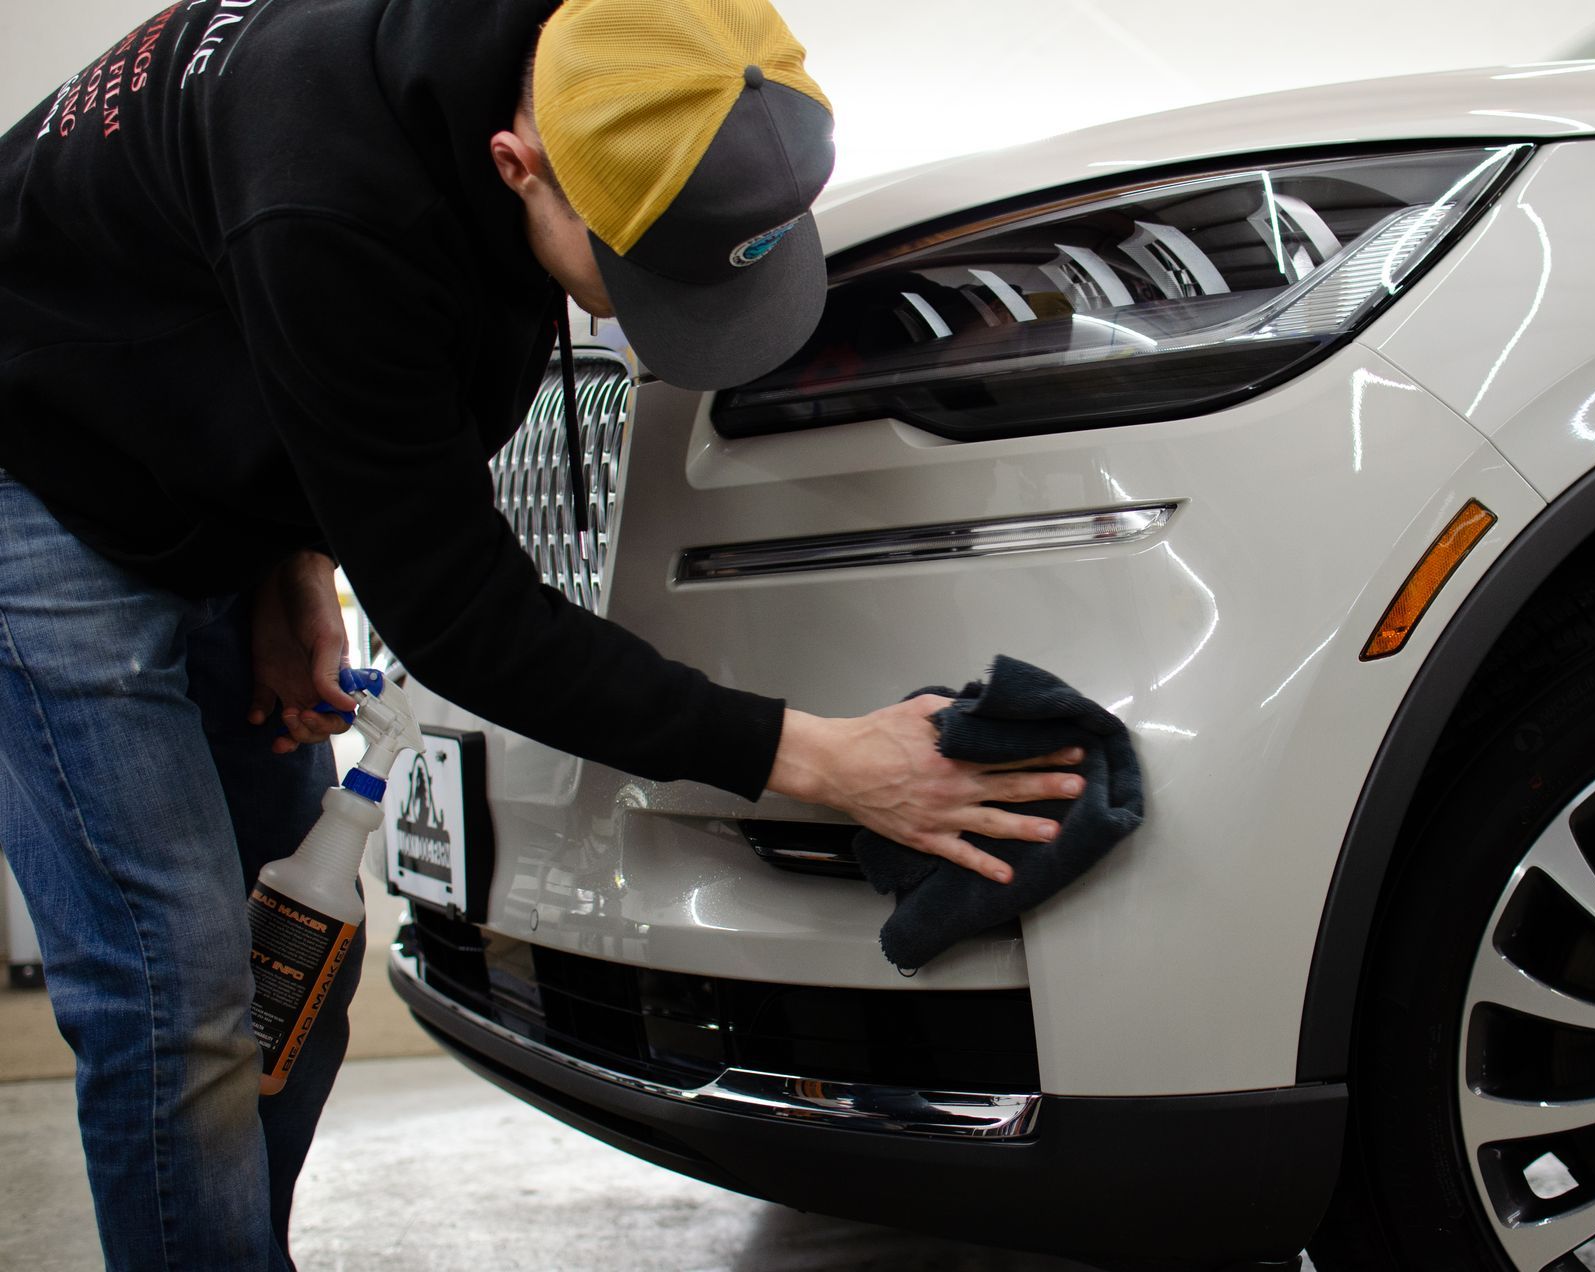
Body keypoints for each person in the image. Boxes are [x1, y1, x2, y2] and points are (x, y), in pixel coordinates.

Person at [0, 0, 1086, 1267]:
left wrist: (291, 558)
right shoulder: (332, 201)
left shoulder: (636, 51)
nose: (642, 316)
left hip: (192, 436)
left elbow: (280, 357)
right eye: (632, 277)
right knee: (178, 993)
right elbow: (464, 617)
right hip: (32, 469)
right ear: (512, 160)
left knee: (286, 957)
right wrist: (829, 762)